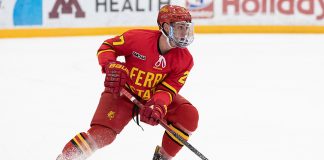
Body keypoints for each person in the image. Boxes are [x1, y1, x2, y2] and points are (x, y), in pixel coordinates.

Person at [56, 4, 199, 160]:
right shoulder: (137, 39)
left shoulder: (186, 59)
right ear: (164, 26)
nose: (184, 33)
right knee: (103, 135)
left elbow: (168, 89)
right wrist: (110, 64)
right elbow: (108, 46)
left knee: (188, 115)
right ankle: (65, 158)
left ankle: (162, 158)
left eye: (186, 28)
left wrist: (158, 105)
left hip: (151, 96)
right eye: (179, 28)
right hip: (122, 92)